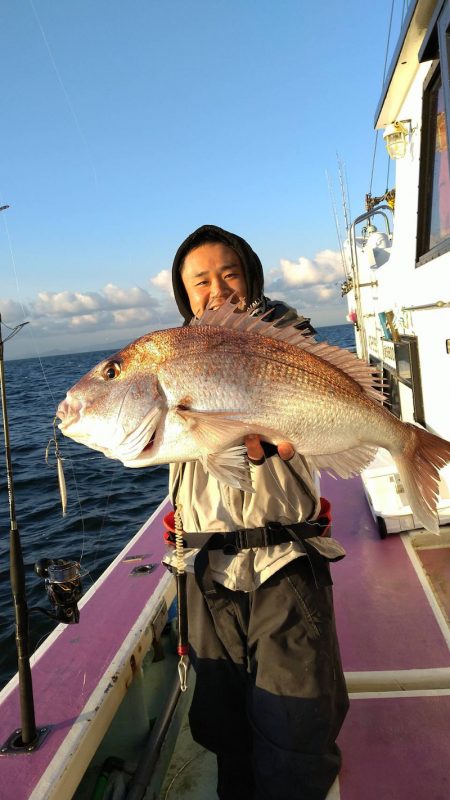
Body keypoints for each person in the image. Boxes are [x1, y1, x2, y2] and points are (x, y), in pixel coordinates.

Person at [164, 224, 349, 800]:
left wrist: (285, 423)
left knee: (298, 729)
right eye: (201, 281)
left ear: (251, 280)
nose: (217, 289)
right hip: (206, 576)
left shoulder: (290, 343)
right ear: (185, 296)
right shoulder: (175, 359)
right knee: (223, 728)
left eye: (230, 274)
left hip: (284, 565)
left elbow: (325, 413)